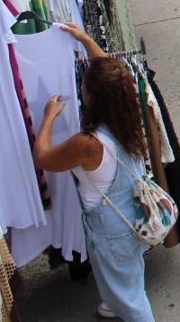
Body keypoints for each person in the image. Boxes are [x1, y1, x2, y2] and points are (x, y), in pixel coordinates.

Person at [34, 23, 155, 321]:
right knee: (128, 276)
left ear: (91, 98)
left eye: (85, 88)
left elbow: (43, 158)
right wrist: (85, 39)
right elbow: (114, 74)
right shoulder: (127, 114)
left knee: (133, 300)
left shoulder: (88, 144)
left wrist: (48, 118)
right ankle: (115, 302)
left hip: (111, 229)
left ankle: (123, 304)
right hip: (135, 213)